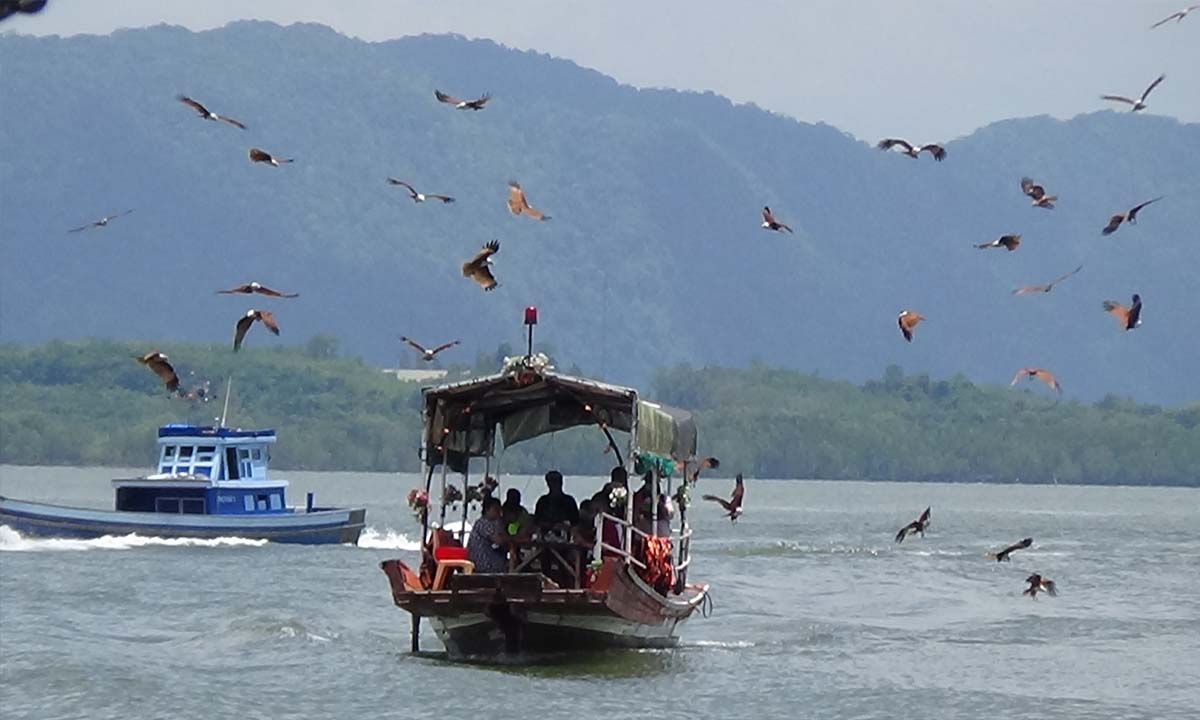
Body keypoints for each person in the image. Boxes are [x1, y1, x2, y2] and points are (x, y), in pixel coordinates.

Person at [466, 497, 509, 574]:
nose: (499, 512)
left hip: (490, 558)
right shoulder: (483, 523)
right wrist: (513, 539)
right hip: (482, 562)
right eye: (496, 509)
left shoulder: (494, 523)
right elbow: (498, 540)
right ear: (487, 510)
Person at [534, 470, 579, 539]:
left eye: (556, 481)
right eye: (551, 481)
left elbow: (576, 523)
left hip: (566, 538)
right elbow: (537, 521)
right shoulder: (543, 501)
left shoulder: (569, 501)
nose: (554, 484)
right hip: (545, 537)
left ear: (561, 482)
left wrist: (564, 526)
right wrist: (550, 526)